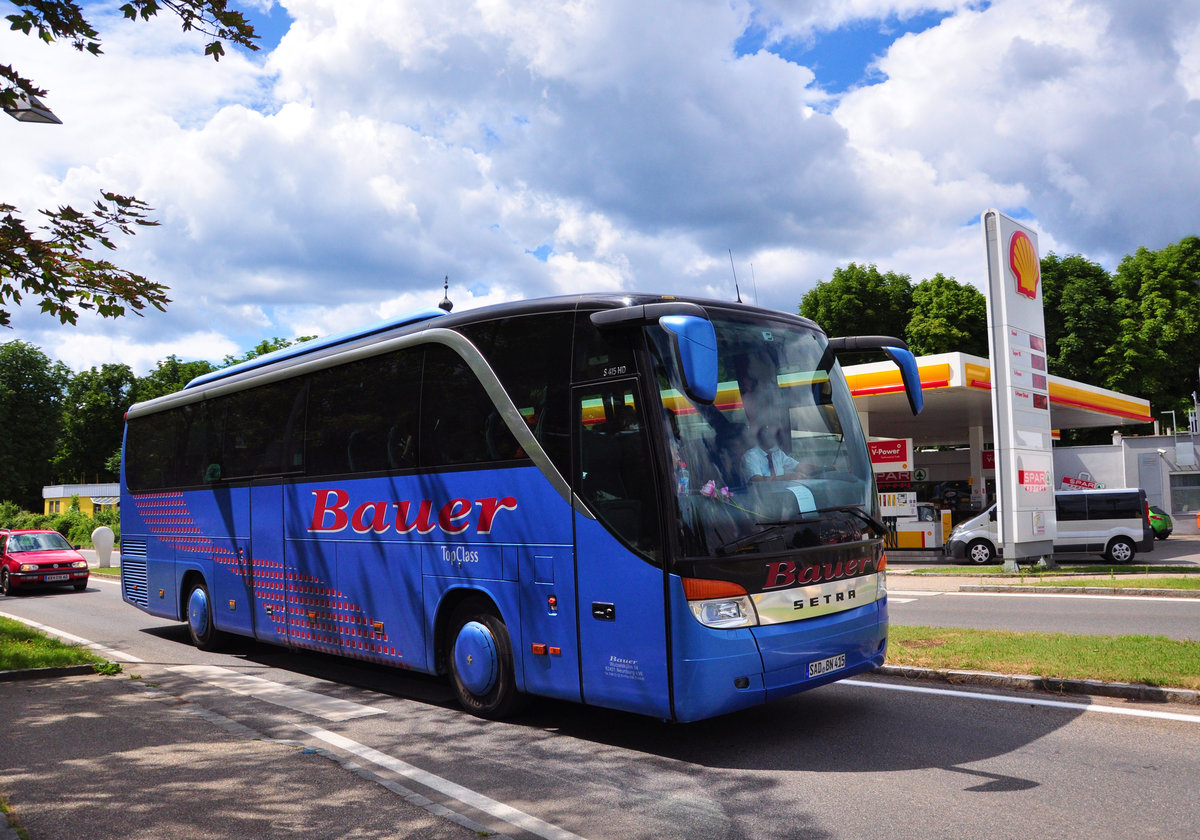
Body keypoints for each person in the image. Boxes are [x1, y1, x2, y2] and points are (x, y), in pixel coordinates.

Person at [743, 425, 808, 481]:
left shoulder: (777, 453)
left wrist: (817, 469)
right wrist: (786, 477)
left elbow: (797, 466)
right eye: (774, 438)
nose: (777, 442)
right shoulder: (751, 456)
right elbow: (757, 479)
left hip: (780, 493)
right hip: (759, 494)